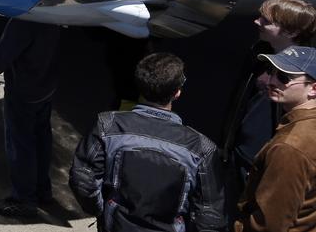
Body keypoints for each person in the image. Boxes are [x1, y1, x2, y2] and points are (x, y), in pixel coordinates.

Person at [69, 53, 225, 232]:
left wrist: (102, 212)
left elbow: (83, 180)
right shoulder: (201, 148)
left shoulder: (108, 126)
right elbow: (210, 218)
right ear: (177, 93)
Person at [224, 0, 316, 204]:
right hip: (242, 158)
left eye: (266, 21)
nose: (257, 22)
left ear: (291, 32)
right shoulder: (260, 54)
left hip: (274, 166)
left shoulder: (315, 75)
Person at [234, 46, 316, 232]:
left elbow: (269, 225)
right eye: (272, 72)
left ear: (314, 89)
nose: (271, 80)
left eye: (284, 78)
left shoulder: (290, 147)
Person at [0, 19, 62, 218]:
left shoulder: (24, 21)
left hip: (24, 91)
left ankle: (23, 198)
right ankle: (42, 190)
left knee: (20, 145)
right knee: (42, 139)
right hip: (46, 87)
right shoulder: (55, 14)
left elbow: (3, 53)